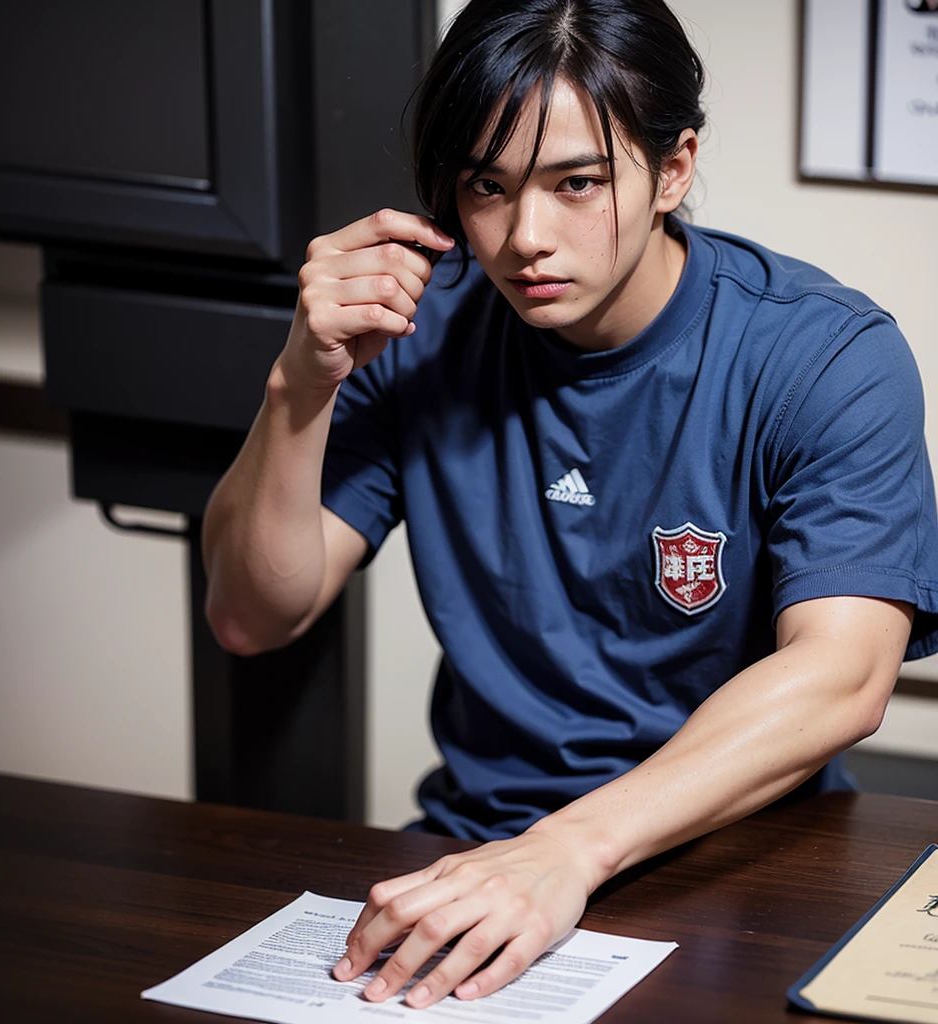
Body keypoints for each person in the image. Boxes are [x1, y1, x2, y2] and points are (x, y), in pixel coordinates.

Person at [202, 0, 938, 1009]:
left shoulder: (823, 355)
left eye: (576, 183)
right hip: (480, 852)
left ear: (672, 168)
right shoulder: (411, 331)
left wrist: (563, 853)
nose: (523, 240)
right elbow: (252, 614)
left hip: (748, 857)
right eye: (486, 189)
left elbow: (844, 672)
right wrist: (299, 385)